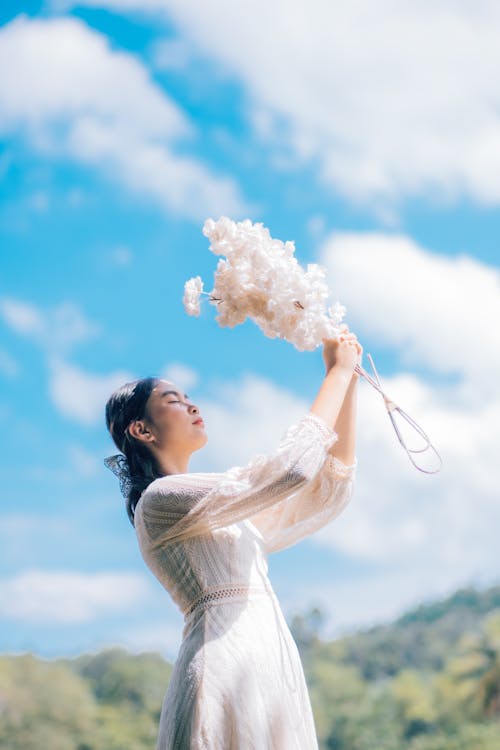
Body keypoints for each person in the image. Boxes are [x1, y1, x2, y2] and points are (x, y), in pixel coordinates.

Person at [104, 328, 362, 749]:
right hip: (224, 673)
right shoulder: (160, 501)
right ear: (141, 430)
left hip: (269, 669)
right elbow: (291, 471)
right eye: (173, 400)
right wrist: (334, 375)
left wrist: (346, 380)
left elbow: (326, 490)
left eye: (188, 397)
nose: (191, 404)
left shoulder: (224, 515)